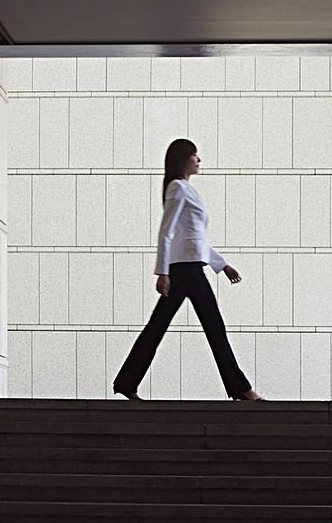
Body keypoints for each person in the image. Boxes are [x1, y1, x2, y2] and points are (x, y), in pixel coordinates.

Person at [113, 138, 263, 402]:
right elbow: (167, 232)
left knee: (159, 326)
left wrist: (221, 264)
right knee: (213, 327)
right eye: (195, 156)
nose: (199, 160)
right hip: (185, 271)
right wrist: (163, 272)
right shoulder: (178, 189)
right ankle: (241, 389)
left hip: (189, 268)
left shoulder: (186, 190)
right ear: (184, 159)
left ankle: (127, 382)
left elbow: (195, 238)